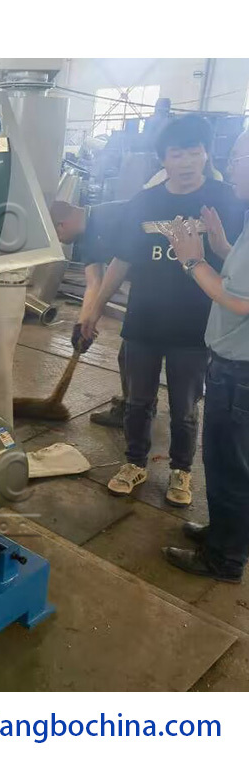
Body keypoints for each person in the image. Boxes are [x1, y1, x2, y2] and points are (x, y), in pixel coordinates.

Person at [83, 115, 244, 507]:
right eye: (177, 154)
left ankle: (181, 470)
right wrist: (94, 309)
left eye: (194, 152)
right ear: (163, 159)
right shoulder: (144, 202)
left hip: (195, 327)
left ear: (207, 155)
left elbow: (237, 261)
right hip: (143, 323)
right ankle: (135, 462)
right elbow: (121, 261)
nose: (186, 162)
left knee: (185, 408)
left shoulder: (228, 199)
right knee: (137, 402)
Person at [162, 130, 249, 583]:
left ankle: (225, 559)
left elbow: (240, 301)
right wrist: (220, 246)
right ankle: (226, 534)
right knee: (226, 462)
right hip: (234, 365)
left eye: (236, 157)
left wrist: (193, 260)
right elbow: (241, 273)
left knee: (230, 466)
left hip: (240, 373)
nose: (228, 166)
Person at [51, 199, 128, 427]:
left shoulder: (114, 215)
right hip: (141, 289)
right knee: (129, 355)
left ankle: (136, 410)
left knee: (134, 353)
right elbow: (95, 282)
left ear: (61, 225)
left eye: (57, 235)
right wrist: (82, 324)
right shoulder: (84, 240)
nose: (60, 241)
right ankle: (134, 403)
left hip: (161, 285)